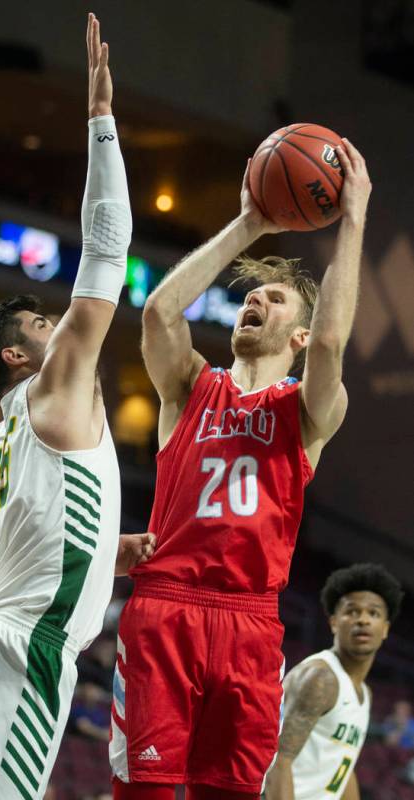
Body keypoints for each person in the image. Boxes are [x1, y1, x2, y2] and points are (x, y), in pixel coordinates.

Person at [0, 14, 154, 800]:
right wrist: (100, 122)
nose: (65, 327)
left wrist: (93, 554)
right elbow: (108, 245)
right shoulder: (54, 389)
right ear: (18, 356)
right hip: (23, 651)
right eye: (44, 325)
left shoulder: (5, 440)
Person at [110, 140, 372, 800]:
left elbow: (336, 341)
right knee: (142, 790)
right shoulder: (188, 386)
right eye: (251, 296)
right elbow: (158, 312)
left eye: (275, 298)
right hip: (166, 608)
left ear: (300, 336)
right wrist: (249, 224)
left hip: (249, 620)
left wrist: (354, 219)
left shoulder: (310, 411)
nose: (254, 300)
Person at [265, 562, 404, 800]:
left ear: (385, 629)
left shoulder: (363, 693)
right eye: (352, 611)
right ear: (333, 622)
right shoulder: (321, 678)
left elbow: (342, 768)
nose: (363, 620)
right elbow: (279, 760)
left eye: (374, 613)